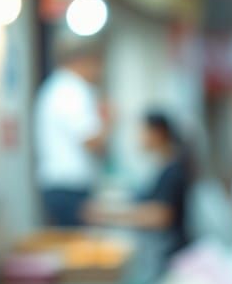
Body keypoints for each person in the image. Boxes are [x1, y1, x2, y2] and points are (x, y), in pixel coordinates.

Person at [83, 111, 192, 265]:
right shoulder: (163, 167)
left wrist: (109, 216)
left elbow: (161, 216)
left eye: (143, 131)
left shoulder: (173, 170)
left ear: (158, 133)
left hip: (170, 254)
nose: (139, 137)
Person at [34, 33, 109, 227]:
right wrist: (108, 121)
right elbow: (91, 142)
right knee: (79, 250)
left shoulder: (53, 87)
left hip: (56, 185)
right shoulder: (74, 90)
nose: (98, 71)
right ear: (83, 61)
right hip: (70, 187)